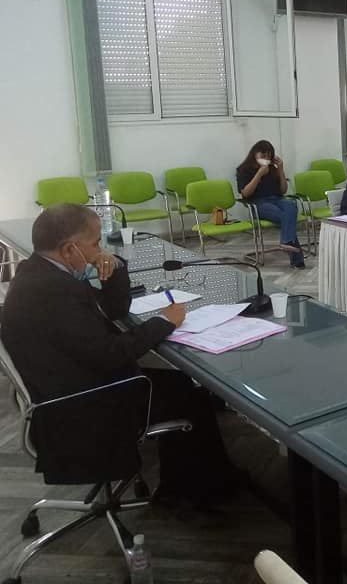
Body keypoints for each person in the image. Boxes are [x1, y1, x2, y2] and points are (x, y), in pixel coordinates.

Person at [0, 204, 240, 505]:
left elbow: (111, 310)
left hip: (65, 387)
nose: (99, 250)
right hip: (83, 406)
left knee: (176, 382)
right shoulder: (55, 291)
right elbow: (113, 354)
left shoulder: (39, 272)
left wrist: (115, 268)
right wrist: (165, 321)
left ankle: (193, 481)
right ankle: (197, 493)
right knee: (187, 394)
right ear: (69, 249)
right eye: (95, 243)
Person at [237, 139, 304, 268]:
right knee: (287, 217)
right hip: (258, 204)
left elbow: (283, 190)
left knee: (291, 204)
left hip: (277, 200)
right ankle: (295, 255)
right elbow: (245, 193)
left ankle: (286, 241)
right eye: (263, 155)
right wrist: (259, 174)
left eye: (269, 155)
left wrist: (281, 170)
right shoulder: (244, 170)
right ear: (254, 154)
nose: (266, 158)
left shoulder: (273, 169)